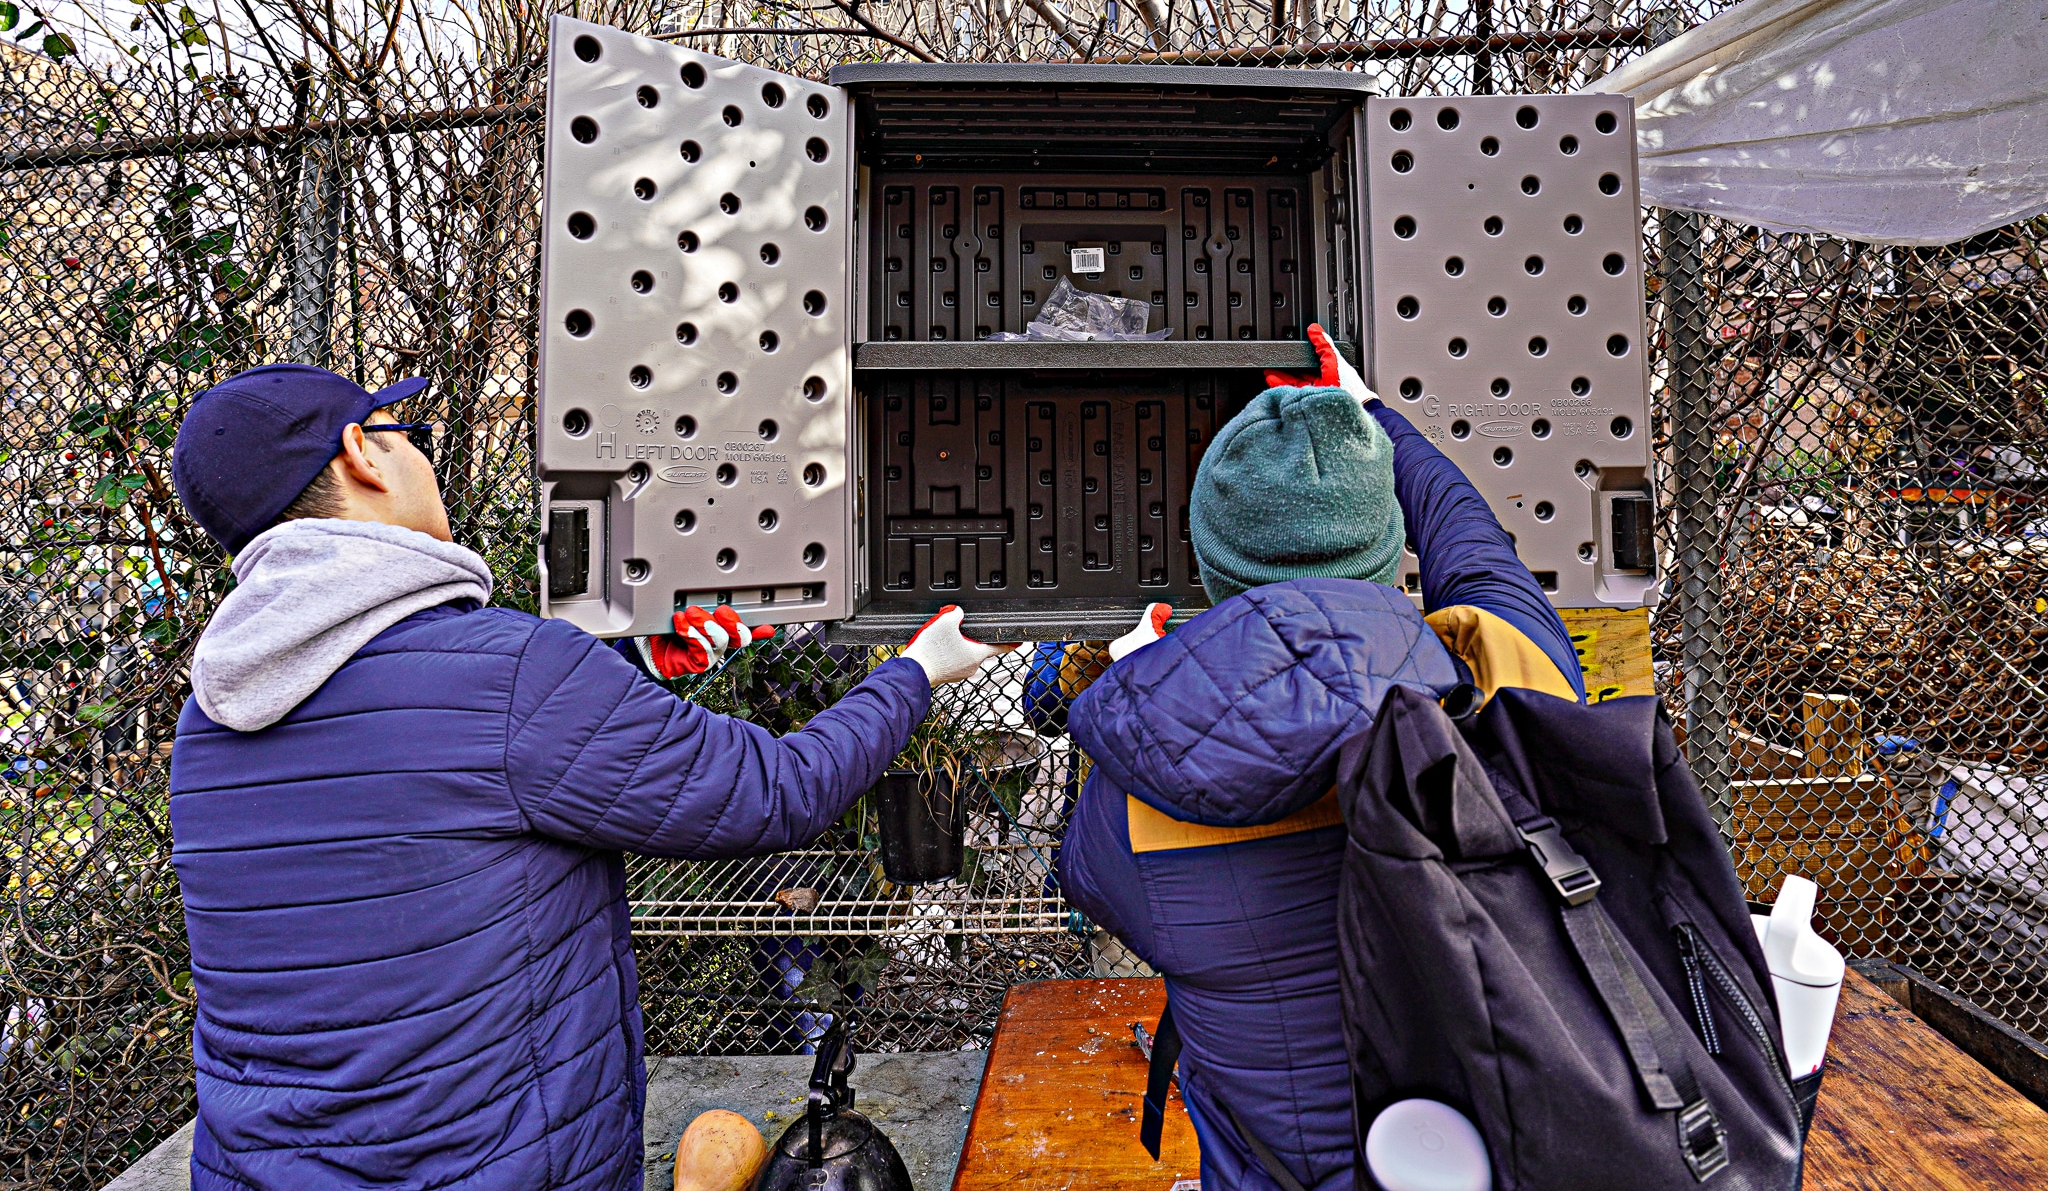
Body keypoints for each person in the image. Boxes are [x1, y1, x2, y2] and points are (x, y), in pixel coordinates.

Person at [167, 363, 1005, 1191]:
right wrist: (918, 672)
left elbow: (422, 770)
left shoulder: (211, 720)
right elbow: (776, 792)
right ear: (362, 454)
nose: (418, 456)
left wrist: (623, 667)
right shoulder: (511, 676)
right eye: (405, 436)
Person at [1058, 325, 1586, 1191]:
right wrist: (1374, 412)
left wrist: (1143, 683)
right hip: (1513, 1154)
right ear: (1387, 544)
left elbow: (1088, 878)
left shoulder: (1133, 784)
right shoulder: (1508, 668)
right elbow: (1468, 535)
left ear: (1210, 563)